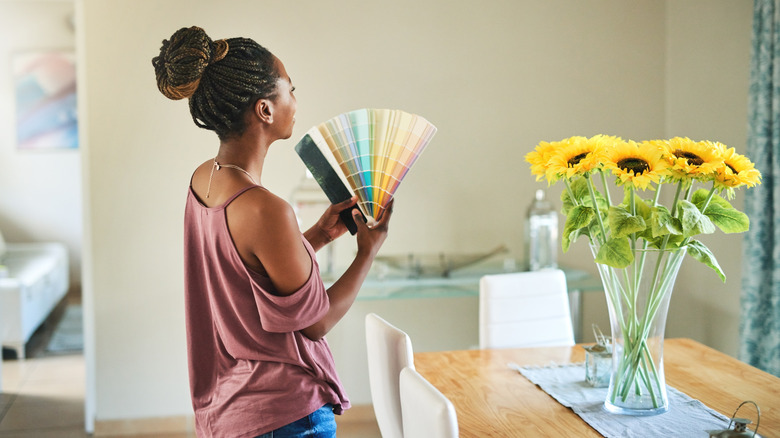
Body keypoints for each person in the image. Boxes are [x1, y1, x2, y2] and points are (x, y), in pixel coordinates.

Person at [152, 26, 393, 438]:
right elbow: (315, 323)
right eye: (290, 90)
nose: (295, 102)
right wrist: (367, 252)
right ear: (265, 109)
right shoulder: (267, 209)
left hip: (229, 412)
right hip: (285, 415)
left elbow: (244, 274)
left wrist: (315, 236)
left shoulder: (202, 180)